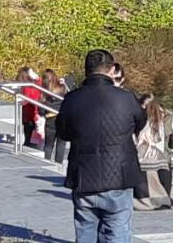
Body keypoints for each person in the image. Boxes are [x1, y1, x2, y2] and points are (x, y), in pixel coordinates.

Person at [55, 49, 147, 243]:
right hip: (119, 177)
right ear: (112, 69)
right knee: (117, 231)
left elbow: (63, 133)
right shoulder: (126, 98)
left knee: (85, 231)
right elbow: (140, 122)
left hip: (83, 176)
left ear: (86, 70)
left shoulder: (72, 99)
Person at [133, 93, 173, 211]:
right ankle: (166, 209)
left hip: (141, 159)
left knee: (143, 193)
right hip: (163, 160)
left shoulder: (137, 116)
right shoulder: (170, 115)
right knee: (164, 193)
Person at [42, 68, 69, 164]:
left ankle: (46, 161)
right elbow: (69, 96)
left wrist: (42, 114)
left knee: (48, 144)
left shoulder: (44, 92)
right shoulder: (62, 88)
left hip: (50, 118)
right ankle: (59, 163)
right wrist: (64, 83)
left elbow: (41, 108)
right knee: (61, 143)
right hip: (62, 117)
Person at [17, 66, 43, 148]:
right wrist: (37, 77)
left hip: (29, 114)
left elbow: (26, 100)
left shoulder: (27, 87)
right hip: (33, 114)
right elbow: (40, 83)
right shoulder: (31, 86)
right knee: (31, 135)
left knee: (28, 134)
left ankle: (27, 146)